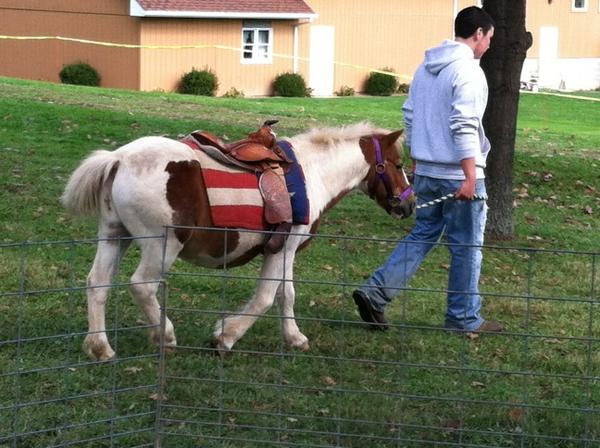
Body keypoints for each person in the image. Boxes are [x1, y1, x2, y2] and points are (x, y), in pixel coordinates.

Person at [353, 6, 503, 333]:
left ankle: (375, 293)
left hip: (427, 171)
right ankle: (462, 318)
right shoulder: (469, 71)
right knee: (465, 246)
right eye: (489, 38)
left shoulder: (425, 67)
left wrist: (418, 158)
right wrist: (468, 174)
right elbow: (463, 124)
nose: (489, 45)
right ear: (478, 34)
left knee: (423, 234)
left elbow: (409, 115)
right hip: (459, 175)